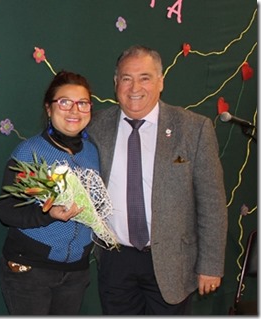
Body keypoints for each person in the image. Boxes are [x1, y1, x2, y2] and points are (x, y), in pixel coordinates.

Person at [87, 45, 228, 315]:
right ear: (116, 83)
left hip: (172, 261)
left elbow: (212, 203)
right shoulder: (95, 127)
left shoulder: (194, 129)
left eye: (145, 77)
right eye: (126, 78)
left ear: (161, 82)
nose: (134, 87)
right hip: (116, 260)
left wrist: (210, 265)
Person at [0, 70, 100, 315]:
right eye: (64, 102)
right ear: (49, 108)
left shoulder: (93, 153)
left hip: (76, 272)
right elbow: (7, 211)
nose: (74, 111)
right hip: (30, 270)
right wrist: (48, 213)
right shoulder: (28, 152)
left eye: (82, 103)